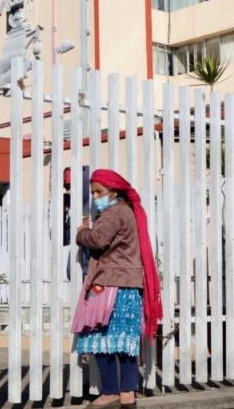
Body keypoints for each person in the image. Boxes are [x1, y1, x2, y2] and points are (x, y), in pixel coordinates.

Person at [75, 169, 162, 408]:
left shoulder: (113, 213)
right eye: (93, 192)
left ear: (113, 191)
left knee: (97, 337)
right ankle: (127, 393)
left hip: (111, 284)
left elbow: (98, 241)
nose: (95, 197)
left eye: (99, 192)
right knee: (125, 341)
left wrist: (82, 233)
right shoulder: (128, 212)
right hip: (128, 285)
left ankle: (112, 390)